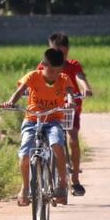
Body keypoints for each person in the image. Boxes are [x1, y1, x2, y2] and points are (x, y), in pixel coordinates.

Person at [2, 45, 78, 206]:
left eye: (57, 72)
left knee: (57, 144)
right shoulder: (32, 76)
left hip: (53, 120)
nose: (54, 76)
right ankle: (25, 188)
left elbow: (70, 93)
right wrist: (10, 102)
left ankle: (62, 184)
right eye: (51, 72)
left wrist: (70, 103)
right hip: (32, 119)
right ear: (43, 66)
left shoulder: (63, 78)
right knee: (24, 152)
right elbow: (19, 91)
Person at [38, 32, 92, 196]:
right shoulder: (43, 66)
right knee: (39, 138)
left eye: (62, 53)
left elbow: (80, 77)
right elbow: (34, 80)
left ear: (67, 51)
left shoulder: (73, 65)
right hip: (49, 108)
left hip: (69, 109)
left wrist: (86, 88)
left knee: (73, 139)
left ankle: (75, 180)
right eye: (55, 52)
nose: (58, 56)